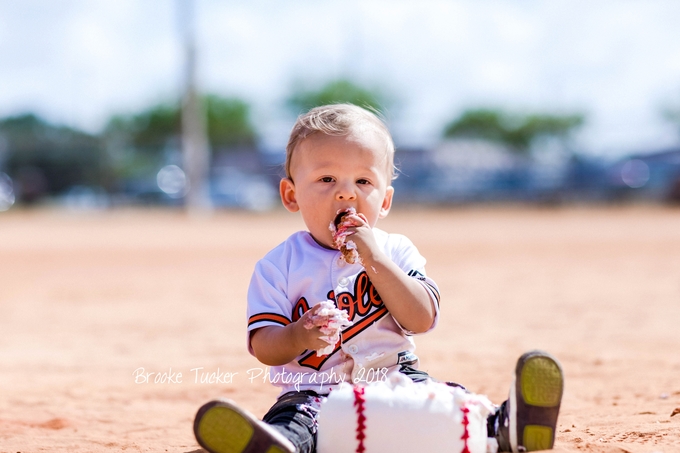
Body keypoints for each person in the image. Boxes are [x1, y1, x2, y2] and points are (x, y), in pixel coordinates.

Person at [193, 104, 564, 453]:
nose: (346, 192)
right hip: (315, 391)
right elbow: (264, 346)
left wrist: (375, 258)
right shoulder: (278, 266)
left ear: (384, 201)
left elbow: (421, 318)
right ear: (291, 195)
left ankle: (504, 427)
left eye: (363, 181)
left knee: (443, 404)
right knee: (297, 421)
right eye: (326, 178)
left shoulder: (397, 251)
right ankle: (279, 445)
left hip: (396, 381)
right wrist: (299, 333)